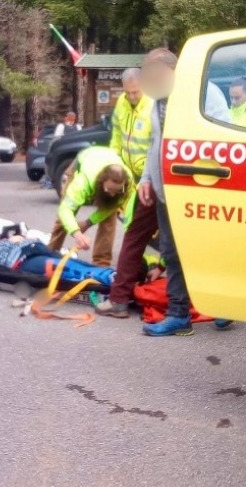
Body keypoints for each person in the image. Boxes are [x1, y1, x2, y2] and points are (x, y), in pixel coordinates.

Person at [134, 48, 232, 336]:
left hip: (201, 188)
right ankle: (178, 315)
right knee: (171, 251)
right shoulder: (157, 100)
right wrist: (146, 178)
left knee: (208, 247)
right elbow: (156, 142)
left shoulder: (206, 93)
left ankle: (224, 304)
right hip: (167, 190)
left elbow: (224, 138)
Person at [95, 67, 157, 318]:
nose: (132, 97)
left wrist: (147, 179)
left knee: (136, 235)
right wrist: (115, 167)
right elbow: (117, 139)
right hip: (131, 177)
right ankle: (127, 291)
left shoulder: (153, 105)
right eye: (128, 93)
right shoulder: (121, 104)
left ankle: (120, 298)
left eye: (136, 92)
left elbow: (155, 146)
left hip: (150, 178)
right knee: (136, 233)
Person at [47, 145, 132, 265]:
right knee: (63, 219)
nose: (112, 194)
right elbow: (65, 210)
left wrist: (88, 223)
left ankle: (101, 263)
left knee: (109, 218)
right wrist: (77, 233)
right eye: (109, 189)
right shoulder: (82, 182)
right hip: (81, 163)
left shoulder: (127, 183)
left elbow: (111, 207)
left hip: (107, 157)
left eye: (117, 191)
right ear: (101, 182)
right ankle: (50, 255)